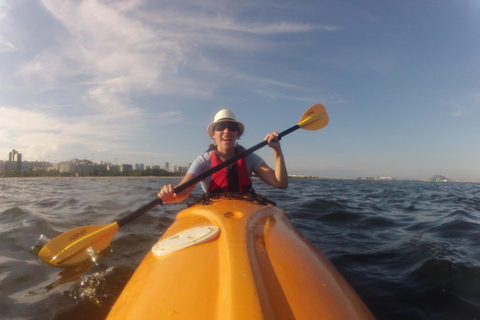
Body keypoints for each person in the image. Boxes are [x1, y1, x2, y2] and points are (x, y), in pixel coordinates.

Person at [158, 109, 288, 203]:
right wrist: (170, 194)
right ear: (214, 134)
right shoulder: (204, 161)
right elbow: (182, 193)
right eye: (220, 127)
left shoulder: (249, 158)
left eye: (232, 127)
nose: (226, 131)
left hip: (246, 210)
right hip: (215, 212)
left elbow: (280, 183)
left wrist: (277, 150)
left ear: (238, 134)